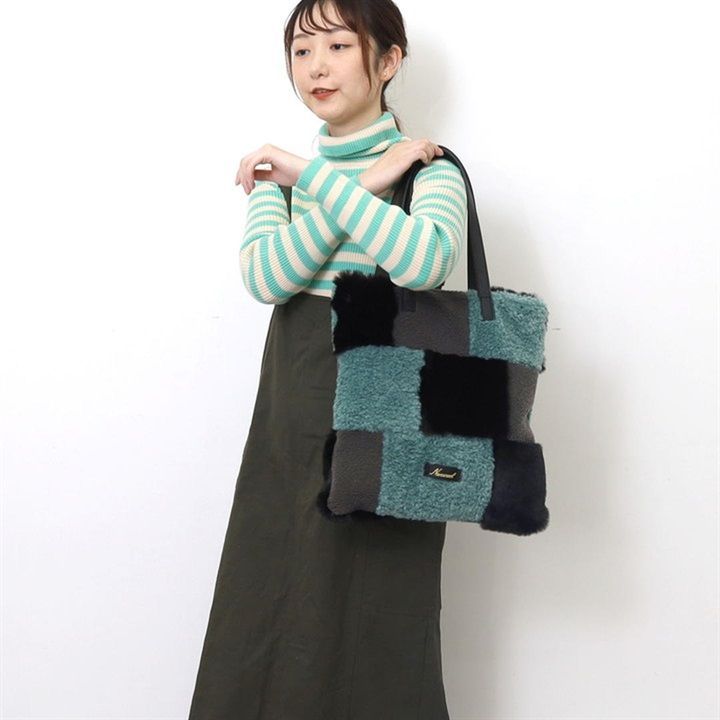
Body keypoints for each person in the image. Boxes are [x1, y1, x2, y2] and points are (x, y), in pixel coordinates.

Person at [188, 1, 467, 718]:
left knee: (385, 599)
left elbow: (422, 265)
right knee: (274, 585)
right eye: (302, 50)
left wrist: (315, 181)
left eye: (339, 46)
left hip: (394, 408)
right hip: (297, 402)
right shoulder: (279, 177)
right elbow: (268, 278)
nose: (317, 66)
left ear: (389, 60)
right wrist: (354, 182)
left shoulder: (429, 170)